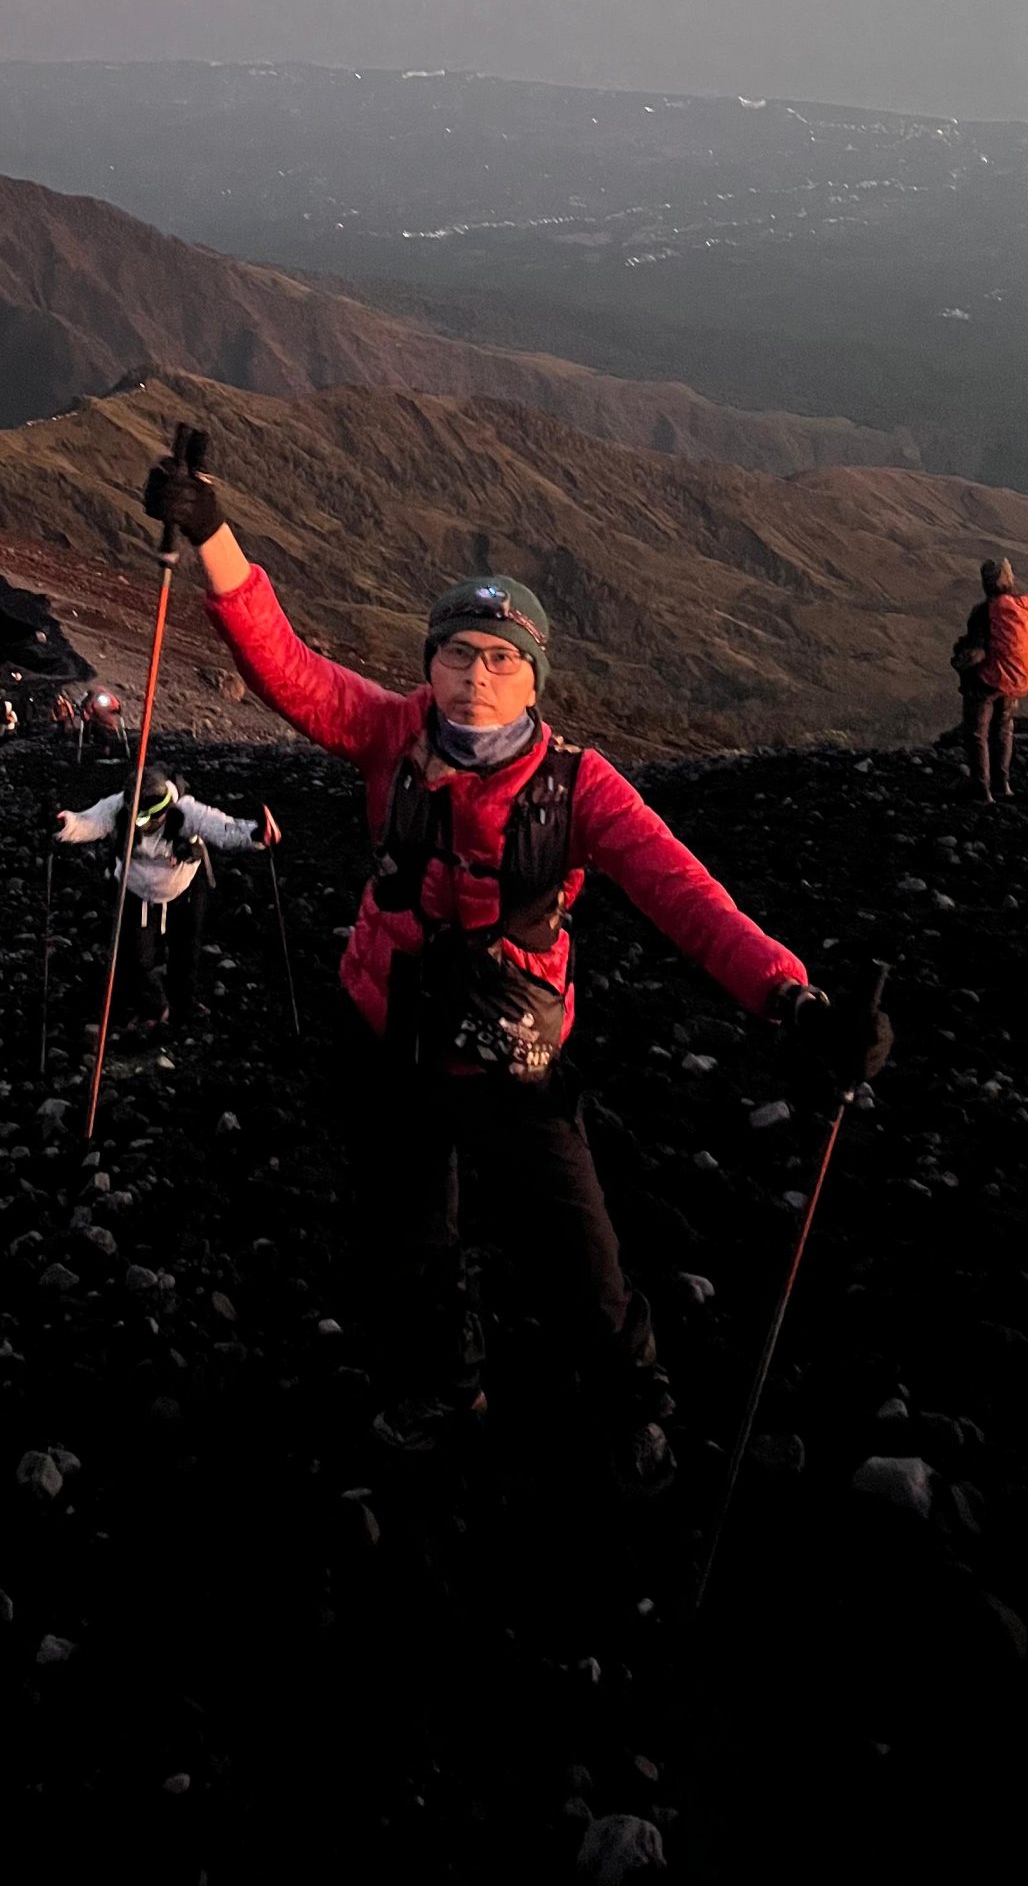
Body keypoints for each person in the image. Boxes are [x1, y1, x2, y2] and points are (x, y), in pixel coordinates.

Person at [142, 439, 892, 1498]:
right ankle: (452, 1387)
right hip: (389, 1034)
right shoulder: (391, 732)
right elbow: (286, 664)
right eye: (458, 653)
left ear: (536, 676)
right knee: (412, 1238)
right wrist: (211, 532)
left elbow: (687, 897)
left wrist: (791, 997)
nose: (476, 675)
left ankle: (633, 1398)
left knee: (580, 1250)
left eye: (501, 657)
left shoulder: (581, 788)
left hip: (510, 1058)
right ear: (429, 662)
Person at [54, 765, 282, 1033]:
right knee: (137, 957)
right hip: (136, 888)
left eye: (151, 819)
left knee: (186, 950)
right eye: (139, 818)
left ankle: (183, 1003)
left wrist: (257, 834)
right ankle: (152, 1006)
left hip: (183, 887)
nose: (145, 825)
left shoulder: (186, 810)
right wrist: (61, 825)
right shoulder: (117, 807)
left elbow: (223, 828)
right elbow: (88, 822)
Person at [950, 556, 1028, 803]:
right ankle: (1002, 784)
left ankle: (980, 786)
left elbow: (977, 651)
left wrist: (959, 660)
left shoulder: (986, 611)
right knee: (1003, 729)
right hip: (1013, 681)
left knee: (977, 732)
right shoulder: (1025, 608)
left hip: (986, 682)